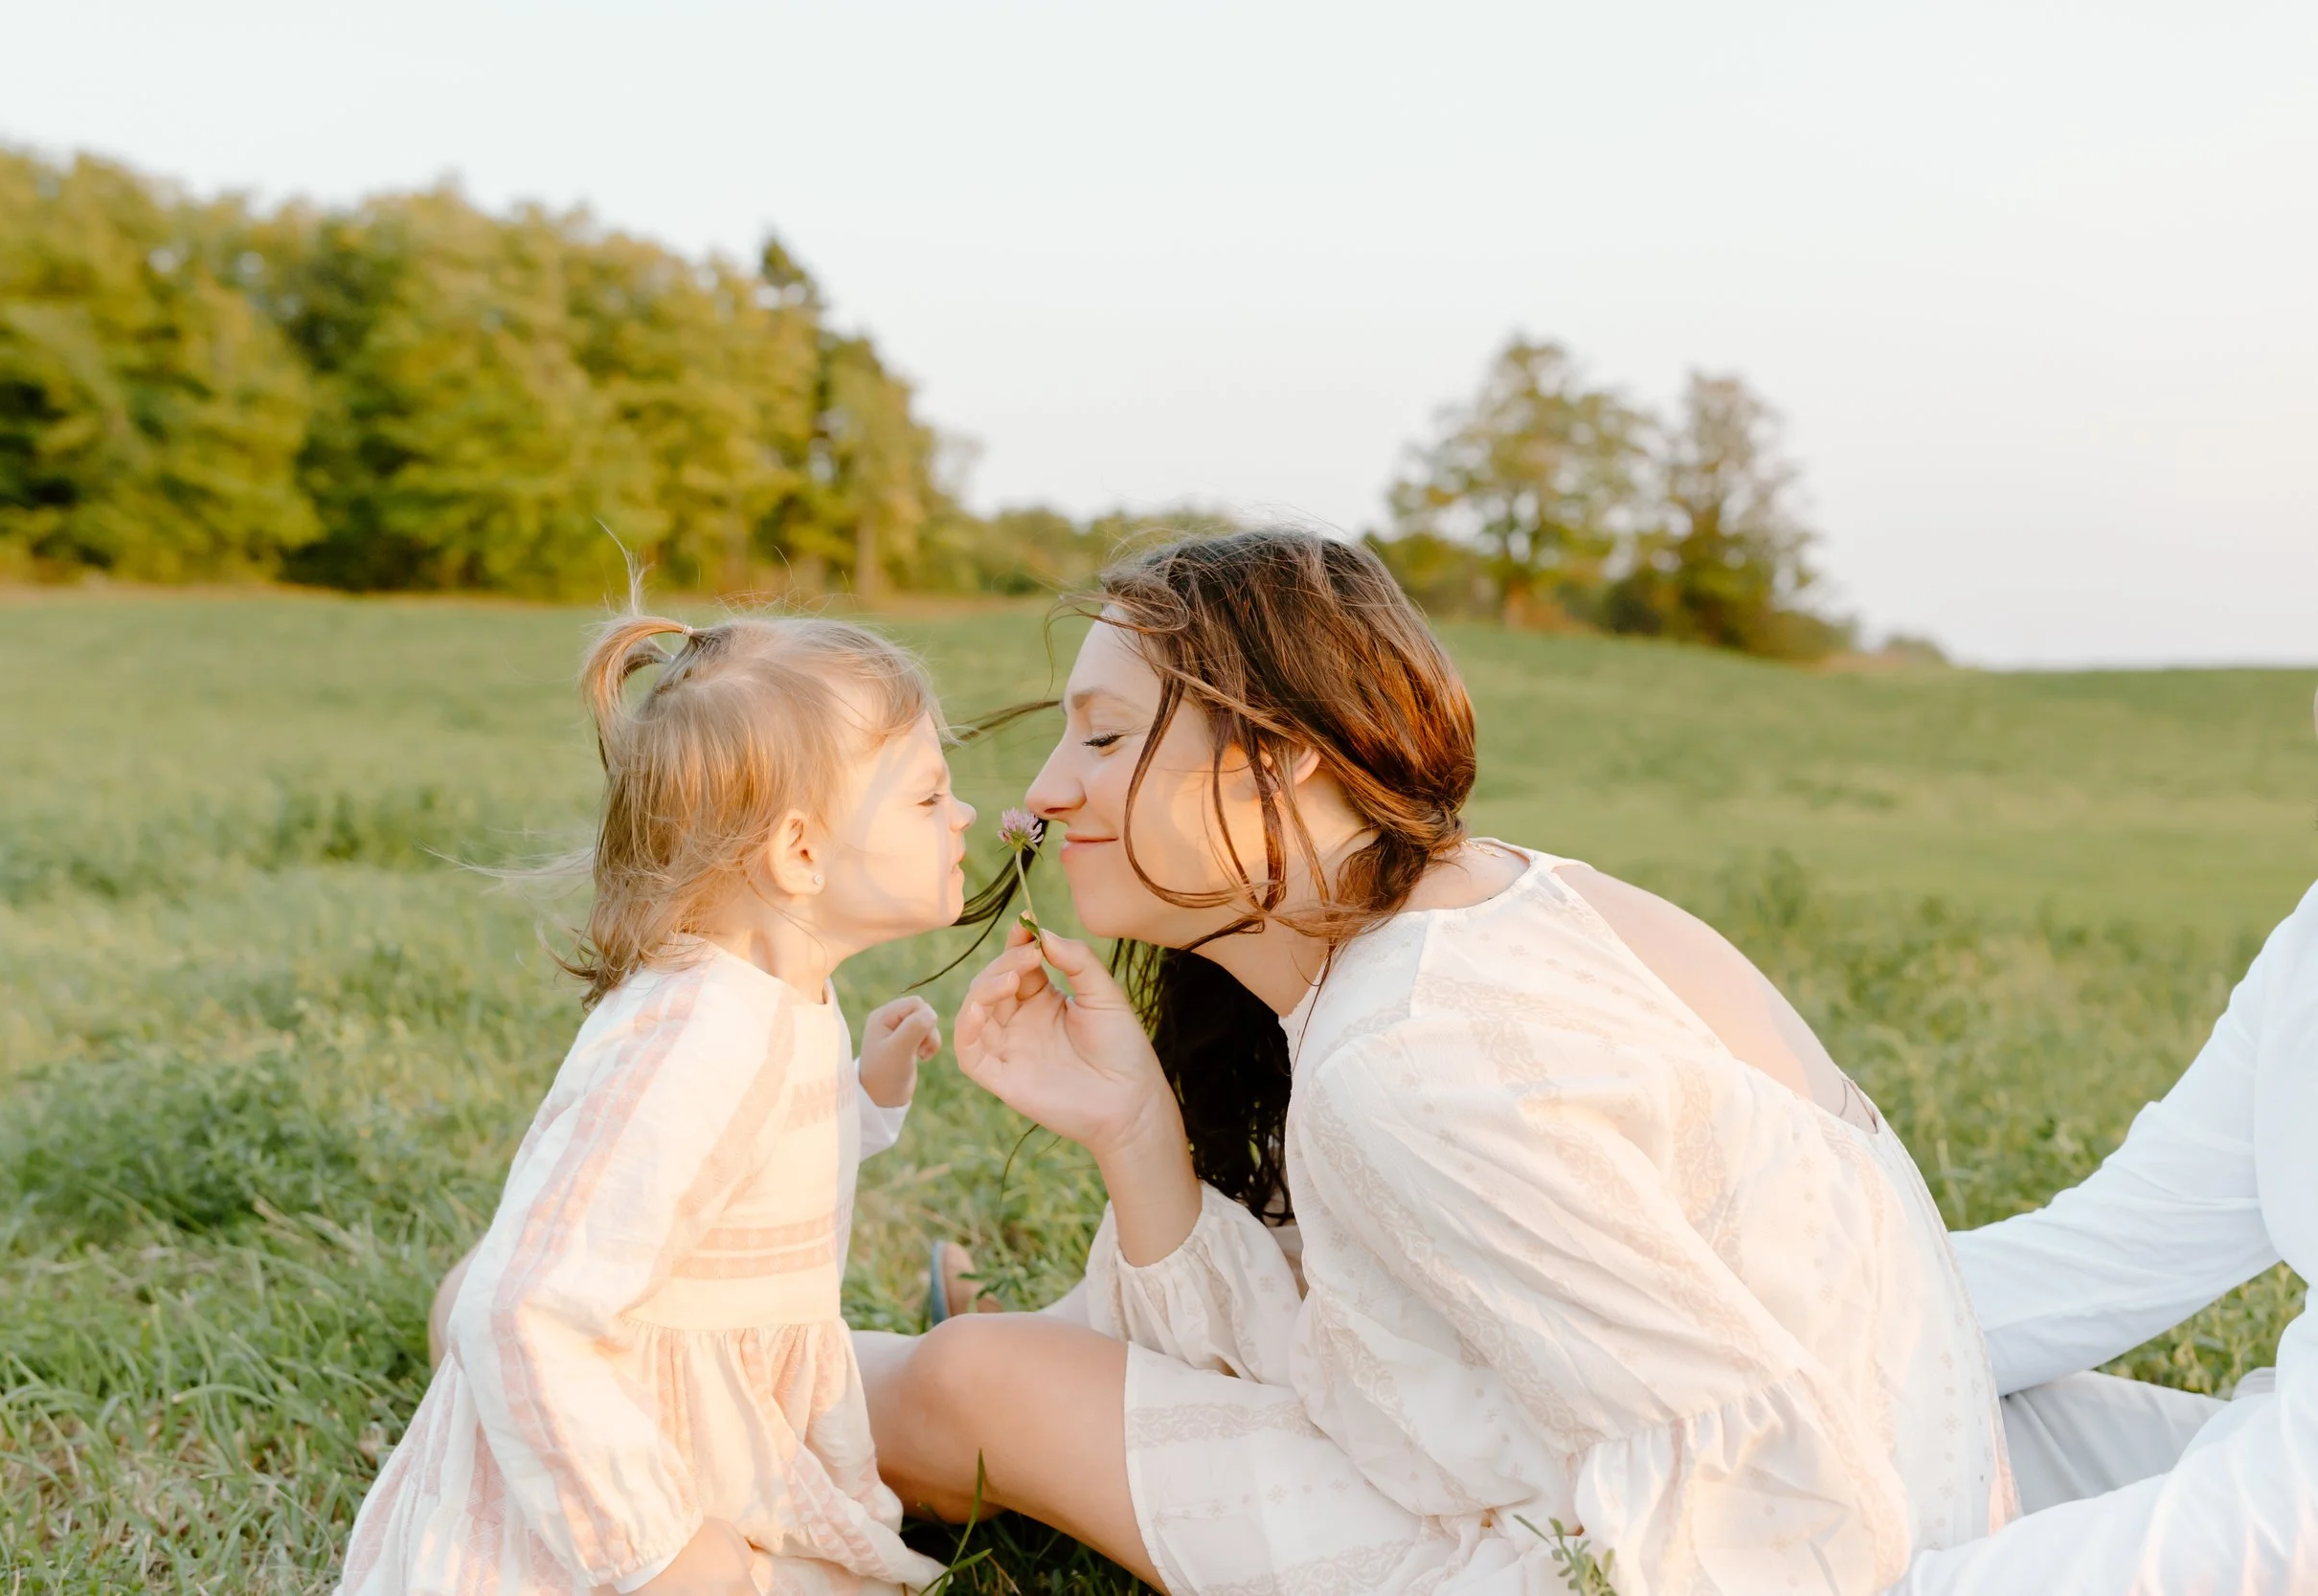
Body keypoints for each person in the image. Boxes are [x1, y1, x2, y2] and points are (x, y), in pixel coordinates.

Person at [859, 529, 2016, 1595]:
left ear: (1284, 756)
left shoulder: (1408, 1054)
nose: (1045, 791)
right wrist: (1134, 1130)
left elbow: (1773, 1508)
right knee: (993, 1368)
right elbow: (1398, 1327)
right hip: (1899, 1492)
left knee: (974, 1385)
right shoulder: (1491, 902)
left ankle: (708, 1393)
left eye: (1104, 736)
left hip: (1706, 1555)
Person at [339, 603, 968, 1596]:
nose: (965, 814)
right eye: (930, 798)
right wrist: (658, 1547)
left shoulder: (778, 991)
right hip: (618, 1479)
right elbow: (519, 1307)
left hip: (722, 1443)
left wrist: (862, 1097)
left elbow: (749, 1167)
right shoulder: (699, 1032)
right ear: (800, 853)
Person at [1893, 871, 2318, 1592]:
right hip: (2282, 1460)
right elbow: (2114, 1254)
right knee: (1908, 1407)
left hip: (2291, 1504)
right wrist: (1769, 1345)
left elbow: (2287, 1519)